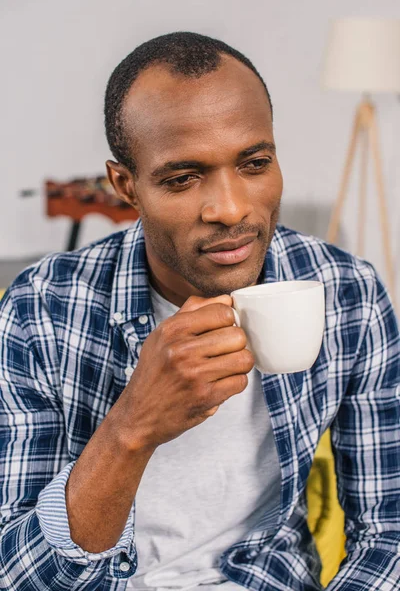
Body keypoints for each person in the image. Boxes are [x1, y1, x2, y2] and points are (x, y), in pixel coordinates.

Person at [0, 31, 399, 591]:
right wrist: (132, 426)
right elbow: (19, 574)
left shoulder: (348, 293)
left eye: (255, 163)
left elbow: (388, 532)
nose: (231, 208)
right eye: (183, 178)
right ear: (126, 186)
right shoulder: (40, 309)